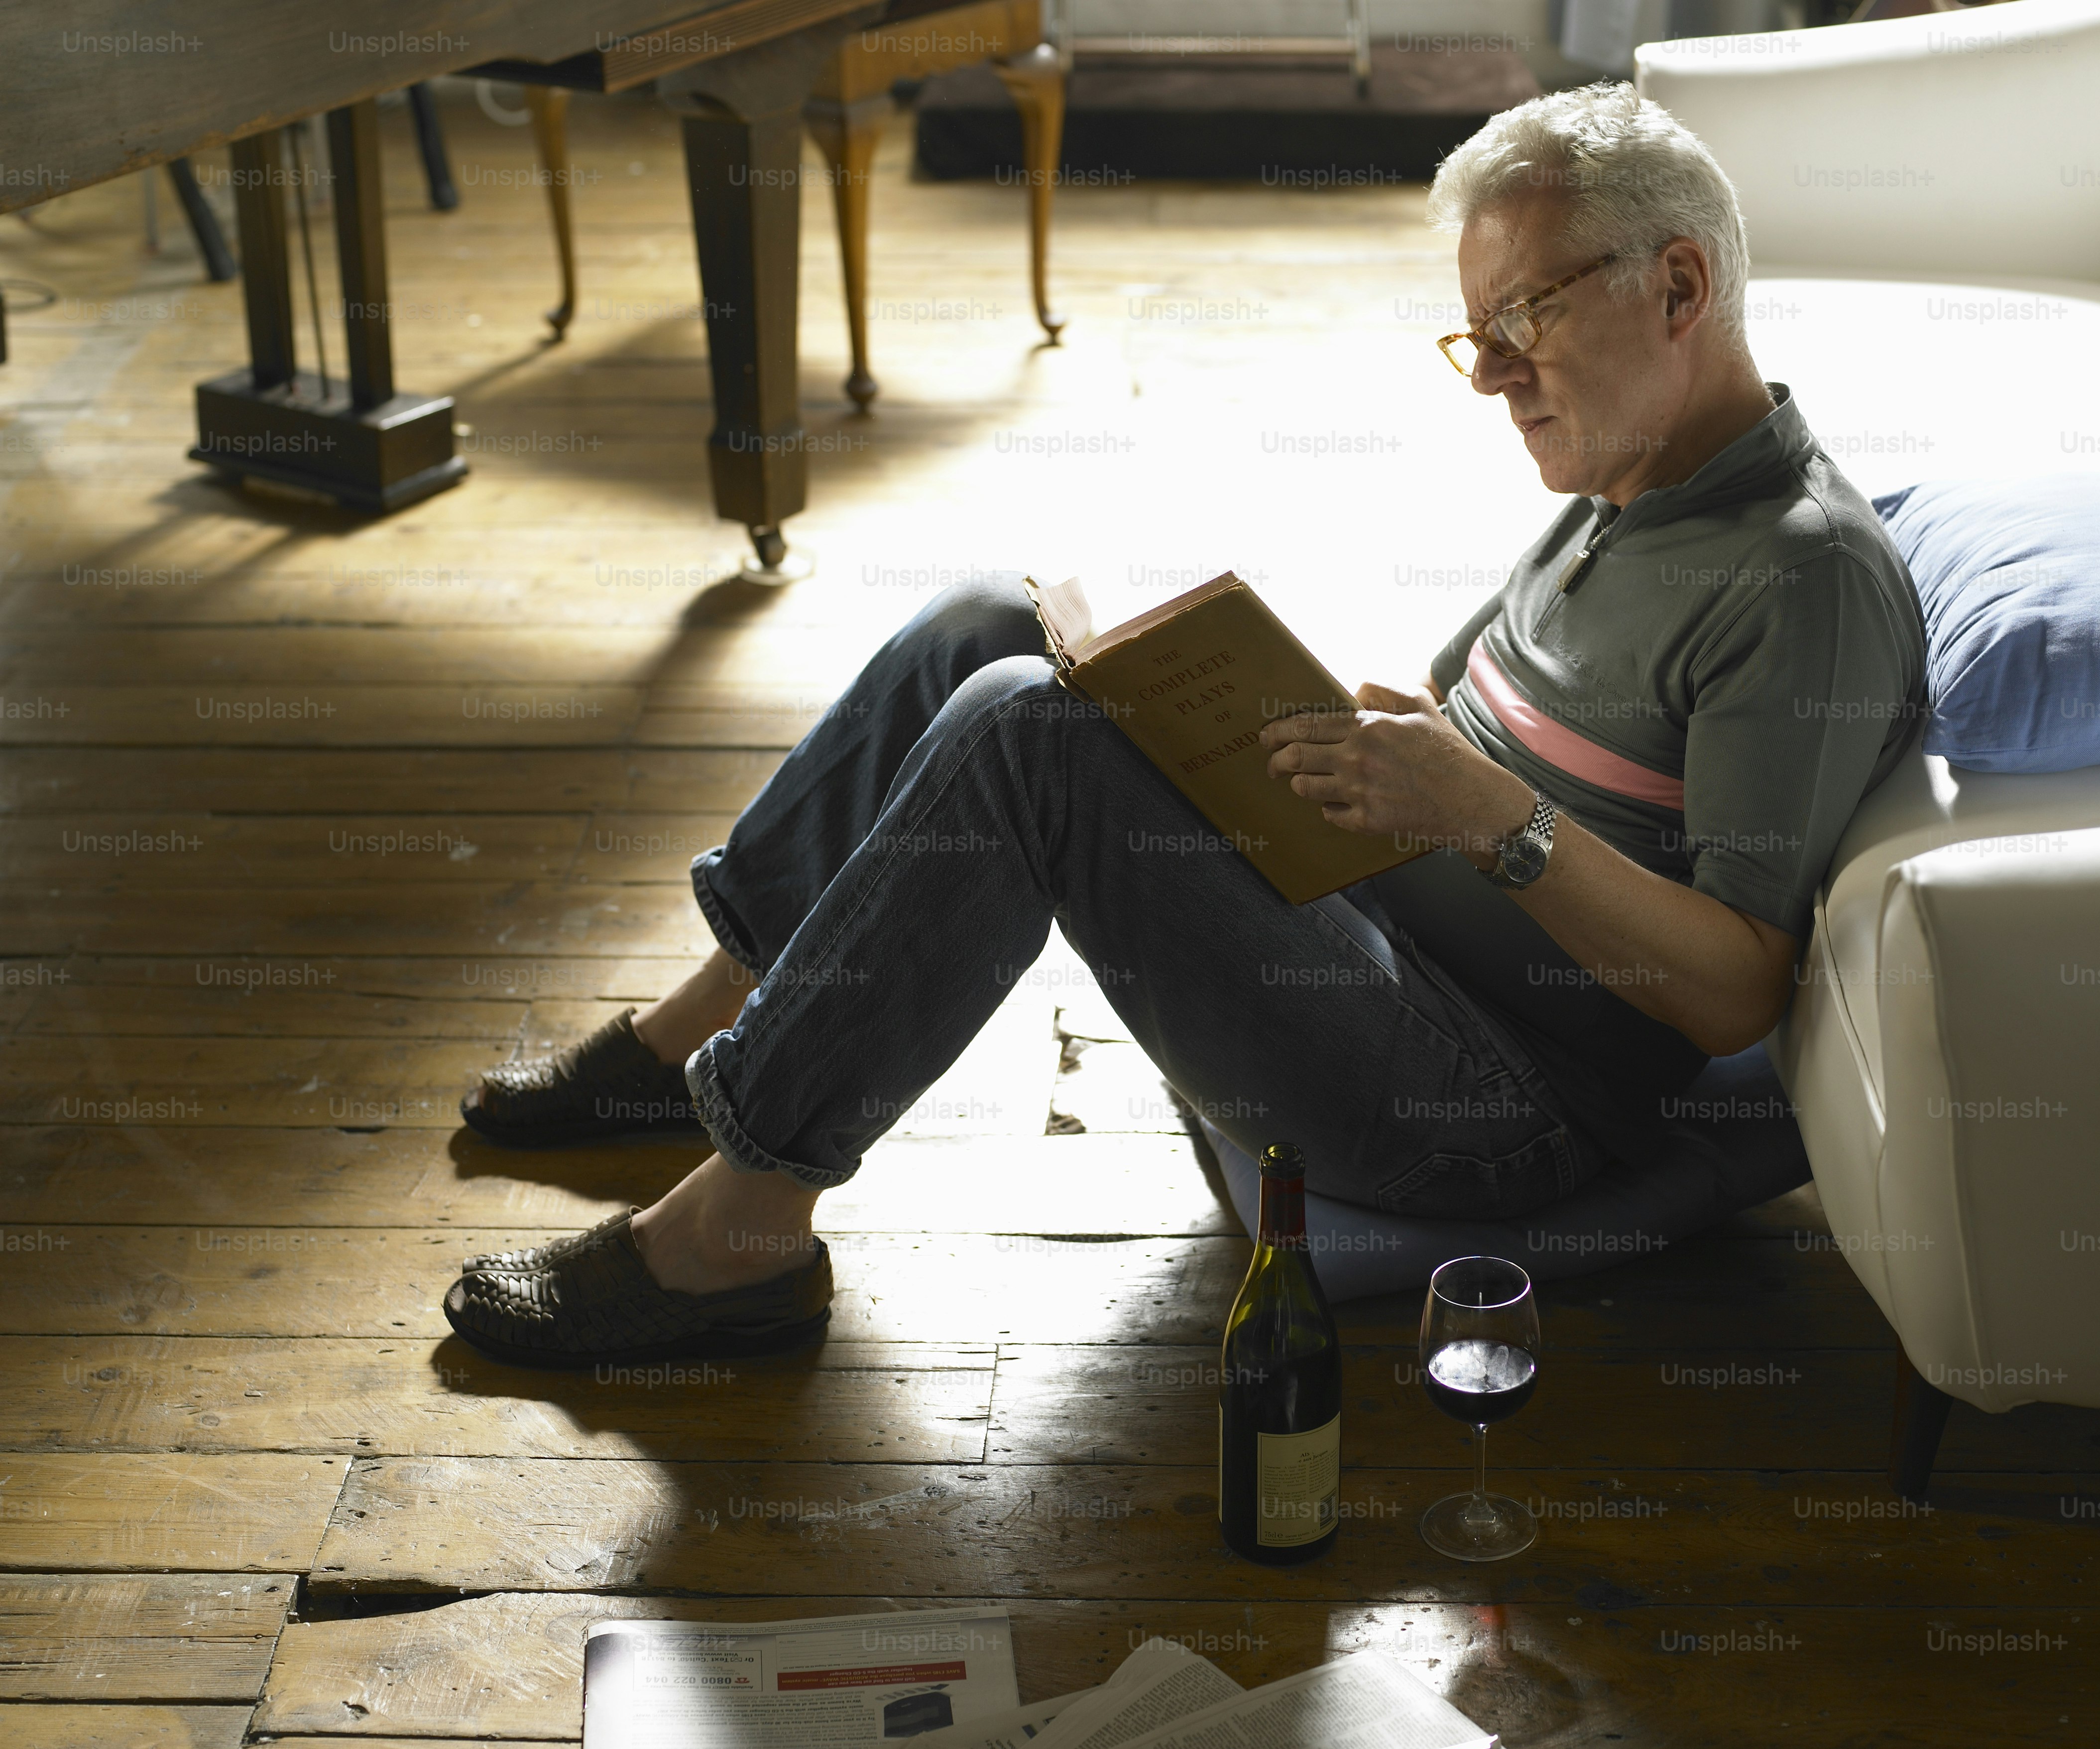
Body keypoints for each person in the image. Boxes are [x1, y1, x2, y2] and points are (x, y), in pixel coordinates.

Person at [441, 83, 1926, 1370]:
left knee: (1032, 732)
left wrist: (1487, 813)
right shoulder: (1632, 485)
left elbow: (1735, 996)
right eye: (1475, 339)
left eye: (1524, 320)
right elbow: (1487, 732)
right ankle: (691, 1035)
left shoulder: (1799, 576)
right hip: (1375, 939)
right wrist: (1317, 728)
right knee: (987, 624)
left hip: (1489, 1103)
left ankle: (738, 1237)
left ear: (1679, 288)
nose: (1497, 379)